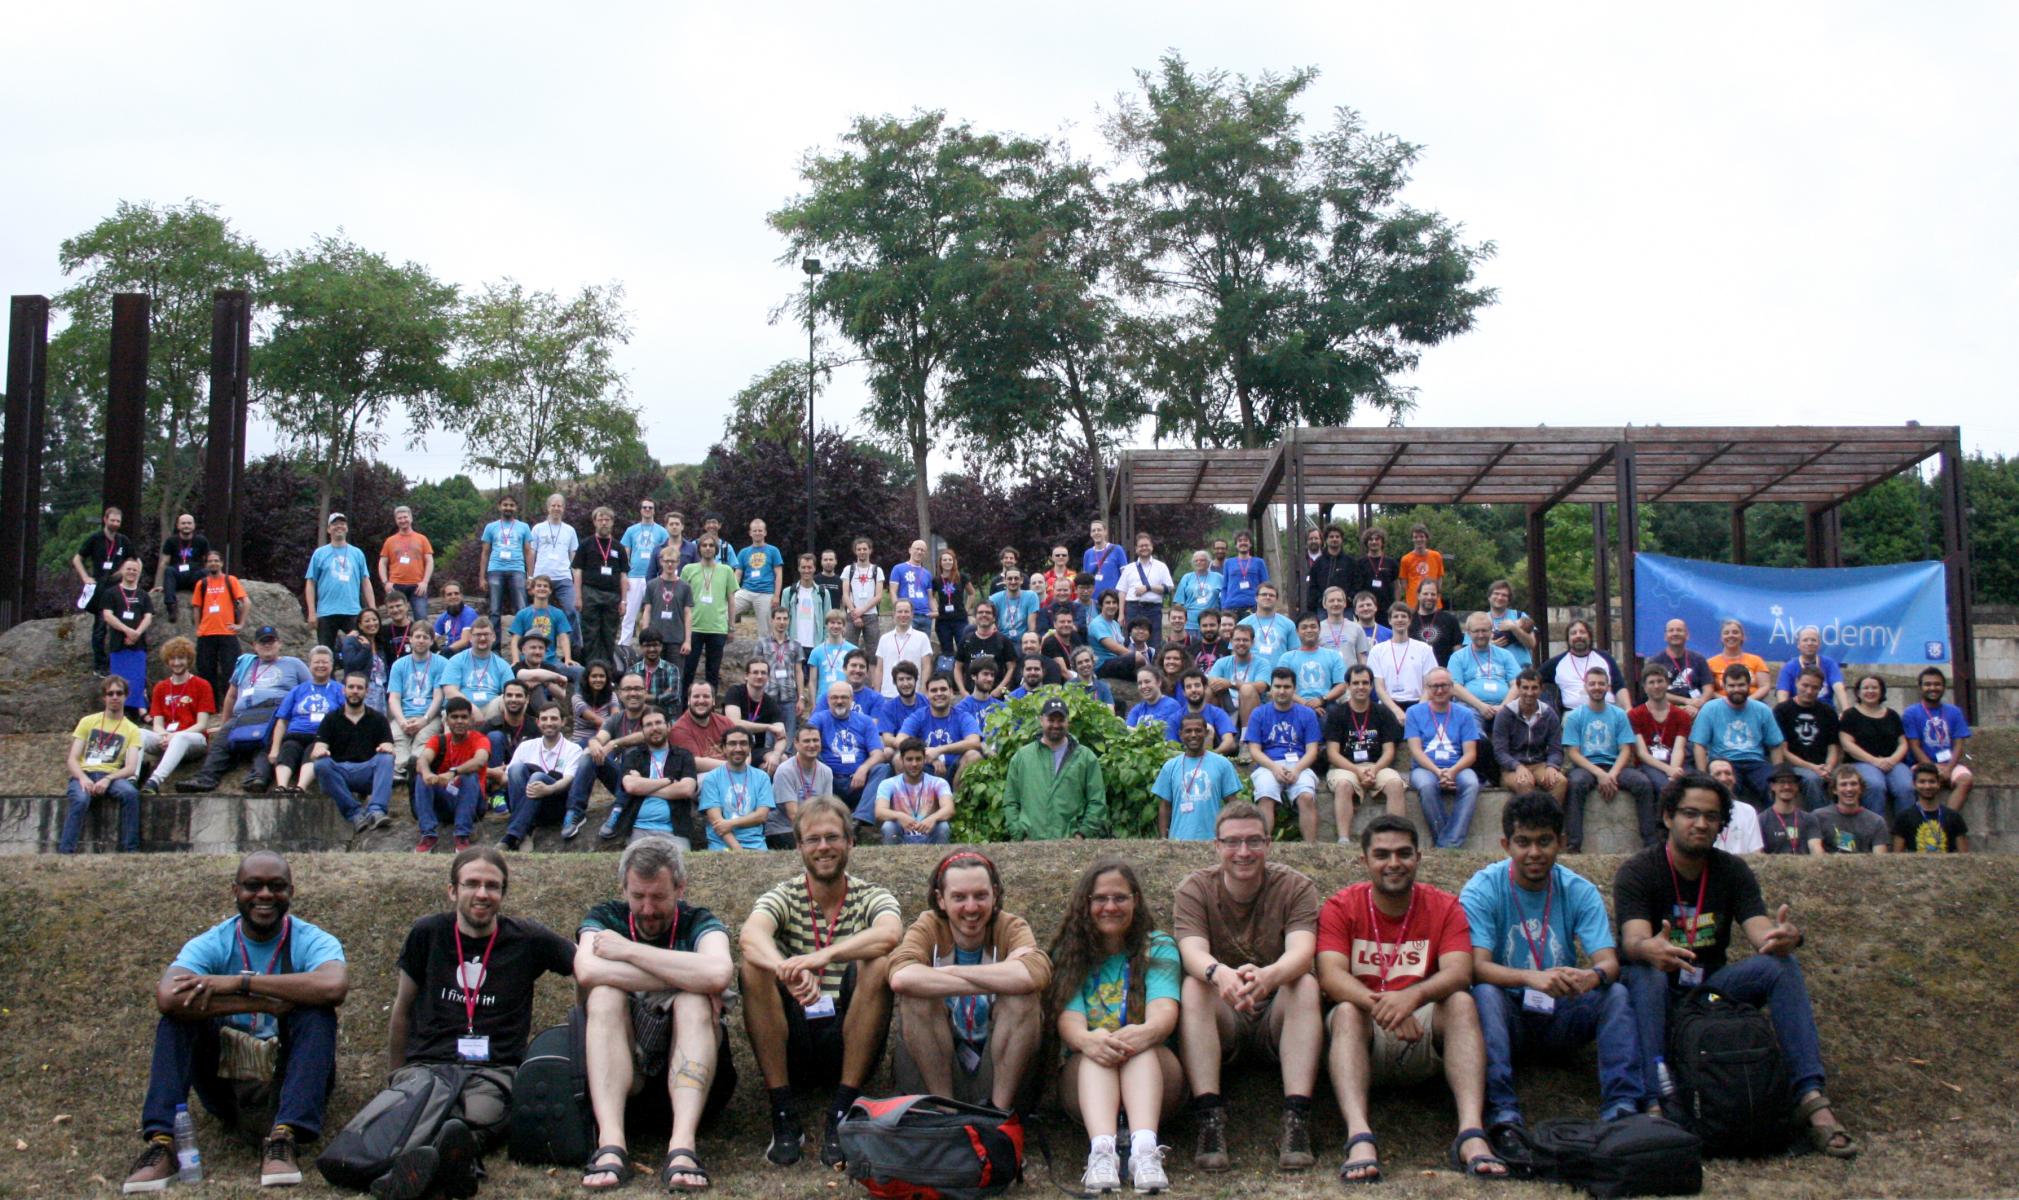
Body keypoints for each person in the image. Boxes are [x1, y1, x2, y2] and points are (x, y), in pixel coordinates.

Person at [1615, 773, 1858, 1158]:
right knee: (1645, 973)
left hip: (1711, 993)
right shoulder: (1640, 870)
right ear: (1667, 817)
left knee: (1781, 965)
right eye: (1690, 813)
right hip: (1657, 990)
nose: (1700, 824)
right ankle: (1655, 1102)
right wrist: (1649, 949)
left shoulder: (1731, 870)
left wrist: (1782, 937)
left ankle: (1811, 1100)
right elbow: (1632, 940)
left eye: (1711, 817)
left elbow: (1759, 929)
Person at [351, 848, 576, 1198]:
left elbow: (585, 967)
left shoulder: (527, 938)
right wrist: (394, 1078)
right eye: (472, 883)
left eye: (493, 885)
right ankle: (455, 1165)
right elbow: (402, 1009)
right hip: (429, 1064)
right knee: (414, 1112)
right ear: (453, 890)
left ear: (503, 893)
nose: (483, 893)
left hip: (493, 1068)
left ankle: (437, 1161)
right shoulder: (428, 933)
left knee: (476, 1114)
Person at [121, 852, 347, 1194]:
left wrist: (237, 982)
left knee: (316, 1011)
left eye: (277, 886)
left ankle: (284, 1138)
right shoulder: (213, 942)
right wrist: (261, 1002)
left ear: (292, 891)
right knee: (178, 1018)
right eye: (253, 886)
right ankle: (161, 1144)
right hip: (224, 1083)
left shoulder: (313, 940)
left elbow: (333, 986)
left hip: (286, 1078)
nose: (265, 895)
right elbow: (167, 997)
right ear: (235, 890)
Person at [1317, 815, 1504, 1184]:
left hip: (1421, 1029)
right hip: (1363, 1033)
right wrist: (1385, 1005)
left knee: (1462, 1002)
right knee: (1347, 1011)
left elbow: (1459, 971)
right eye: (1382, 854)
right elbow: (1331, 976)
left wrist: (1411, 997)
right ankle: (1359, 1137)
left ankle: (1471, 1133)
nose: (1393, 863)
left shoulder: (1445, 906)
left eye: (1404, 853)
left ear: (1418, 857)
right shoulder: (1341, 907)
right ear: (1364, 861)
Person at [1460, 793, 1643, 1138]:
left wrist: (1593, 976)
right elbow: (1476, 967)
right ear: (1505, 844)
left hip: (1562, 1010)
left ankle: (1623, 1105)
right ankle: (1502, 1110)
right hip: (1508, 1012)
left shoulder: (1579, 890)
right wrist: (1532, 978)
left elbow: (1608, 961)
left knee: (1615, 993)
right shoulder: (1482, 889)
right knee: (1482, 993)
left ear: (1560, 841)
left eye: (1544, 842)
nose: (1534, 853)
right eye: (1523, 842)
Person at [739, 797, 902, 1169]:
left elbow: (890, 933)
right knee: (753, 966)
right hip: (794, 1037)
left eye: (833, 837)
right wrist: (787, 970)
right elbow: (751, 935)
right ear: (798, 847)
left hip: (850, 1036)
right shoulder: (784, 894)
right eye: (813, 839)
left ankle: (843, 1108)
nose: (824, 847)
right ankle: (782, 1112)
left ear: (850, 842)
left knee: (877, 963)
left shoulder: (870, 895)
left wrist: (822, 957)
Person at [573, 838, 736, 1191]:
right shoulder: (605, 917)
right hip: (623, 1083)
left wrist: (627, 951)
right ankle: (610, 1144)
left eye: (659, 897)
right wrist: (686, 976)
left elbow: (719, 974)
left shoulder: (699, 921)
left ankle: (683, 1147)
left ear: (680, 887)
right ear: (624, 889)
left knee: (693, 1002)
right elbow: (586, 970)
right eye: (638, 896)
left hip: (697, 1086)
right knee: (602, 995)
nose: (647, 910)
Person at [1173, 803, 1323, 1172]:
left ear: (1268, 844)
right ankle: (1208, 1116)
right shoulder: (1195, 889)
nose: (1243, 852)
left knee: (1303, 983)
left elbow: (1302, 952)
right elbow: (1191, 950)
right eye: (1233, 842)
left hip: (1277, 1014)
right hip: (1226, 1015)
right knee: (1194, 987)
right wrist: (1218, 973)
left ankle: (1297, 1118)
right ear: (1216, 845)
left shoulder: (1295, 886)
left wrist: (1270, 976)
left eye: (1254, 841)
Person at [1047, 858, 1181, 1193]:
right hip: (1086, 1079)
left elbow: (1163, 1013)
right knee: (1096, 1050)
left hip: (1156, 1078)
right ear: (1086, 904)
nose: (1110, 906)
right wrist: (1090, 1040)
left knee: (1140, 1049)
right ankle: (1101, 1152)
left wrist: (1141, 1034)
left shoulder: (1158, 946)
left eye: (1120, 897)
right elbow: (1070, 1021)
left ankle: (1145, 1152)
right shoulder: (1070, 952)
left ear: (1135, 899)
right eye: (1100, 899)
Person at [886, 849, 1049, 1116]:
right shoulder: (928, 927)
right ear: (940, 899)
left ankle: (999, 1118)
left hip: (999, 1072)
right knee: (917, 997)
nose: (971, 908)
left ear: (995, 895)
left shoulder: (1011, 927)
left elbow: (1034, 973)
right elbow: (901, 976)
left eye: (980, 896)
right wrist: (997, 978)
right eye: (959, 897)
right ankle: (946, 1115)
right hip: (934, 1072)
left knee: (1023, 998)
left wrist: (944, 976)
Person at [176, 628, 311, 795]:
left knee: (269, 738)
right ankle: (205, 778)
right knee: (222, 741)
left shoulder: (294, 664)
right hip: (244, 714)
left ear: (279, 643)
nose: (267, 645)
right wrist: (225, 723)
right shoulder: (246, 664)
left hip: (275, 711)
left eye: (271, 641)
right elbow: (231, 696)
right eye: (263, 641)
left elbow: (310, 690)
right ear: (254, 645)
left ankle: (259, 777)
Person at [1562, 667, 1657, 853]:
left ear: (1608, 686)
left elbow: (1625, 750)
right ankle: (1574, 844)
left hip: (1616, 766)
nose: (1597, 687)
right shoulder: (1574, 716)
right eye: (1592, 684)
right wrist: (1599, 774)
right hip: (1586, 766)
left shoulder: (1619, 715)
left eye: (1601, 683)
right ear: (1585, 687)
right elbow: (1573, 753)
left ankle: (1651, 843)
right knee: (1575, 784)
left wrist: (1612, 774)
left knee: (1643, 783)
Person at [1002, 696, 1107, 841]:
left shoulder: (1086, 757)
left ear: (1068, 721)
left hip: (1072, 846)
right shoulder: (1022, 757)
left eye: (1060, 720)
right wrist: (1020, 835)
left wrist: (1082, 834)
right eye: (1051, 720)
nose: (1056, 725)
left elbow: (1097, 801)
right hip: (1030, 845)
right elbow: (1010, 801)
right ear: (1041, 720)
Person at [60, 676, 144, 854]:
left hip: (111, 776)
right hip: (85, 773)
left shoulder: (132, 730)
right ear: (104, 698)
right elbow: (72, 759)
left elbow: (130, 767)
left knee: (130, 793)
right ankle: (66, 851)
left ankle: (131, 850)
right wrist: (82, 778)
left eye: (119, 693)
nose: (115, 697)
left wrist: (108, 779)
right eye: (110, 693)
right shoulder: (88, 722)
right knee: (81, 800)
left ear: (125, 696)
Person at [1325, 664, 1408, 843]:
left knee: (1395, 784)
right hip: (1345, 766)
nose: (1361, 687)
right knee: (1344, 785)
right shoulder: (1337, 714)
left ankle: (1397, 838)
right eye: (1356, 683)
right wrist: (1357, 771)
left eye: (1365, 683)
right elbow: (1332, 753)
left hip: (1377, 765)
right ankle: (1344, 840)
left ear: (1371, 686)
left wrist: (1375, 770)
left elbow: (1389, 751)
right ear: (1347, 686)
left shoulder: (1383, 712)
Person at [1405, 668, 1485, 850]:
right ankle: (1448, 843)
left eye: (1444, 686)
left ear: (1451, 687)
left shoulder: (1465, 714)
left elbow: (1471, 753)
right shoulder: (1414, 712)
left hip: (1458, 766)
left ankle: (1447, 843)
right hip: (1424, 768)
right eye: (1435, 686)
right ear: (1427, 688)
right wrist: (1438, 772)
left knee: (1472, 783)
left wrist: (1452, 771)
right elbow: (1415, 751)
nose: (1440, 691)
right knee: (1426, 786)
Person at [1688, 662, 1787, 807]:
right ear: (1724, 686)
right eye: (1732, 686)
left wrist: (1779, 774)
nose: (1737, 689)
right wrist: (1704, 776)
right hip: (1724, 761)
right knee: (1726, 789)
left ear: (1749, 686)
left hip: (1756, 762)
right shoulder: (1710, 708)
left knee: (1773, 788)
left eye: (1741, 685)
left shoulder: (1763, 710)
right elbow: (1699, 745)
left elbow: (1775, 745)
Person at [1244, 668, 1326, 841]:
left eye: (1287, 687)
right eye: (1277, 686)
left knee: (1306, 797)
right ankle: (1262, 844)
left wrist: (1296, 770)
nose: (1282, 691)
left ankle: (1311, 848)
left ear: (1294, 689)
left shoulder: (1307, 714)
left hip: (1300, 764)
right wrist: (1274, 767)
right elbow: (1254, 750)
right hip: (1268, 765)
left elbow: (1312, 750)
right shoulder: (1259, 713)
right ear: (1271, 689)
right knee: (1266, 796)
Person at [570, 677, 656, 841]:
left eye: (637, 689)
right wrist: (594, 743)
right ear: (620, 694)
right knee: (588, 755)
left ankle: (618, 811)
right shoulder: (616, 719)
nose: (633, 693)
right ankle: (575, 812)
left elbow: (650, 733)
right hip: (624, 781)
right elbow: (600, 737)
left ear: (645, 692)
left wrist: (616, 742)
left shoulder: (654, 713)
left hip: (649, 779)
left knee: (633, 753)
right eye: (628, 689)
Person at [311, 671, 396, 833]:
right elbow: (316, 749)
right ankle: (355, 813)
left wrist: (387, 748)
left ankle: (376, 811)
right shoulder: (331, 718)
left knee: (386, 759)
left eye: (359, 687)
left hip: (368, 772)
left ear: (367, 691)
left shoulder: (378, 719)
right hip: (340, 773)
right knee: (321, 764)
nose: (355, 691)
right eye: (351, 687)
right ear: (344, 690)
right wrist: (321, 750)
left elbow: (388, 745)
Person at [412, 696, 489, 854]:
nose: (459, 721)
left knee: (469, 775)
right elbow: (423, 759)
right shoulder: (438, 740)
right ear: (446, 720)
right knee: (421, 776)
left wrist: (454, 772)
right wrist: (427, 773)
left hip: (473, 801)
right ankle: (428, 835)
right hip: (446, 800)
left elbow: (480, 761)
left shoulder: (480, 739)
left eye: (464, 717)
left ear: (471, 720)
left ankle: (462, 835)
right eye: (454, 717)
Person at [500, 703, 582, 851]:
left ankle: (511, 836)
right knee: (516, 769)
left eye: (553, 718)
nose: (548, 723)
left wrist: (549, 789)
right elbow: (507, 779)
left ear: (563, 722)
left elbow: (568, 780)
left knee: (538, 776)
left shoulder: (573, 749)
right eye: (544, 719)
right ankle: (526, 831)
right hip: (528, 800)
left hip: (554, 804)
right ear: (538, 722)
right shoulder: (526, 746)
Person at [807, 681, 892, 820]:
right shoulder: (819, 719)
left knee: (883, 769)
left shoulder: (866, 721)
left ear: (851, 699)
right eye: (834, 697)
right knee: (813, 757)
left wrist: (863, 769)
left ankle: (860, 818)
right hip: (830, 781)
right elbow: (806, 741)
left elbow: (878, 753)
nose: (839, 701)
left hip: (859, 782)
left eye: (844, 697)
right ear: (828, 700)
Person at [618, 708, 702, 847]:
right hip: (638, 829)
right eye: (649, 725)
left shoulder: (683, 756)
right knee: (636, 867)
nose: (654, 728)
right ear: (643, 730)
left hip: (675, 831)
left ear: (668, 726)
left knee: (678, 867)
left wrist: (644, 786)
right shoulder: (633, 756)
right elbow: (631, 786)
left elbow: (686, 789)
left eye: (658, 723)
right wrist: (667, 781)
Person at [1154, 712, 1245, 840]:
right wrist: (1163, 837)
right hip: (1179, 839)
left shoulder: (1222, 764)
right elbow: (1165, 805)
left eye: (1198, 730)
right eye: (1188, 731)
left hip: (1213, 839)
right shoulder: (1170, 766)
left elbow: (1232, 803)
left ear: (1206, 733)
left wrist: (1234, 833)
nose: (1193, 735)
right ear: (1180, 734)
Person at [141, 637, 215, 794]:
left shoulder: (202, 685)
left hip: (194, 739)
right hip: (166, 738)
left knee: (181, 739)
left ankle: (154, 781)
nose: (176, 663)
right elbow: (157, 724)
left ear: (189, 660)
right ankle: (132, 778)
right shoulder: (161, 687)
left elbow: (202, 724)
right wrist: (164, 735)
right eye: (172, 659)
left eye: (181, 658)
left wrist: (174, 735)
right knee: (137, 733)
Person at [267, 647, 344, 797]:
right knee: (288, 748)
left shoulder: (339, 690)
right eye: (316, 662)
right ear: (309, 665)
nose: (320, 665)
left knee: (313, 751)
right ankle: (282, 785)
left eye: (325, 662)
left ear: (332, 665)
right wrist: (275, 748)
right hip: (296, 733)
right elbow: (282, 721)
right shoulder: (297, 690)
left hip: (322, 737)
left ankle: (301, 787)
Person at [1837, 674, 1914, 821]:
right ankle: (1876, 832)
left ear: (1882, 691)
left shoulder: (1892, 715)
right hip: (1861, 763)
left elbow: (1903, 743)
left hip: (1893, 762)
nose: (1870, 691)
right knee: (1875, 785)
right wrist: (1875, 761)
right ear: (1858, 692)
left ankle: (1904, 833)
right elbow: (1847, 744)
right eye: (1865, 687)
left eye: (1874, 687)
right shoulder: (1850, 715)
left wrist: (1892, 760)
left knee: (1906, 787)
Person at [1903, 667, 1975, 812]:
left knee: (1966, 780)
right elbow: (1914, 746)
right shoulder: (1911, 713)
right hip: (1921, 765)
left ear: (1943, 687)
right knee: (1919, 784)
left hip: (1950, 764)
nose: (1932, 688)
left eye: (1937, 684)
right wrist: (1933, 769)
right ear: (1920, 687)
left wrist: (1948, 769)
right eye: (1928, 684)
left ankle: (1947, 821)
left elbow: (1959, 745)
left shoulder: (1954, 712)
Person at [1492, 669, 1569, 806]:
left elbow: (1556, 749)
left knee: (1559, 782)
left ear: (1541, 689)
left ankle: (1550, 824)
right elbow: (1500, 752)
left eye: (1534, 688)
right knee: (1524, 783)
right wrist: (1517, 766)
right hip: (1512, 767)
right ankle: (1532, 825)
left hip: (1540, 764)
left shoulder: (1549, 714)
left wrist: (1552, 765)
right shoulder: (1505, 714)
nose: (1529, 693)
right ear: (1518, 688)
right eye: (1525, 688)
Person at [1625, 664, 1693, 818]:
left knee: (1689, 785)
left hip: (1675, 762)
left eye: (1660, 681)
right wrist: (1669, 771)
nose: (1656, 686)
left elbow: (1679, 748)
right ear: (1644, 687)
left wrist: (1673, 770)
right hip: (1648, 764)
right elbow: (1642, 753)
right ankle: (1664, 827)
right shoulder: (1635, 715)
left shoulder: (1681, 715)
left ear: (1667, 683)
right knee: (1665, 786)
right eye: (1651, 682)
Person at [74, 506, 135, 674]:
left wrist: (128, 573)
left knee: (123, 623)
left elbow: (135, 560)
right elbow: (77, 558)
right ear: (105, 520)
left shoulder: (123, 540)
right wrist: (85, 577)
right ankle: (100, 665)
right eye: (112, 520)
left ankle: (121, 661)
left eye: (118, 521)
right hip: (101, 587)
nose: (115, 524)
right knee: (100, 626)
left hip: (118, 586)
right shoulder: (95, 539)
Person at [303, 513, 374, 651]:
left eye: (342, 523)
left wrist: (372, 609)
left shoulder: (357, 553)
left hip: (352, 610)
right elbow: (310, 583)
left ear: (347, 528)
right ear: (329, 529)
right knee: (326, 652)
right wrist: (312, 612)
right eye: (335, 524)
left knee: (358, 649)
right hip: (326, 612)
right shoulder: (319, 553)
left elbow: (365, 582)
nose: (339, 526)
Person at [1774, 667, 1841, 809]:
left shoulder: (1828, 712)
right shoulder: (1782, 710)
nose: (1809, 691)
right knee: (1812, 779)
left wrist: (1828, 767)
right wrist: (1814, 768)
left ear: (1821, 689)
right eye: (1805, 685)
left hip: (1824, 766)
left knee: (1848, 780)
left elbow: (1833, 747)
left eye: (1815, 687)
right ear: (1797, 683)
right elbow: (1783, 751)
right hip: (1796, 766)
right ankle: (1821, 822)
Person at [698, 728, 774, 851]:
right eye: (732, 743)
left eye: (743, 743)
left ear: (750, 748)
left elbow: (761, 816)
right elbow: (717, 822)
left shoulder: (762, 777)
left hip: (756, 845)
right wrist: (738, 850)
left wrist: (731, 823)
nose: (738, 748)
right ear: (723, 748)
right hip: (722, 847)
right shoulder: (711, 778)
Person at [570, 506, 628, 669]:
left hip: (612, 595)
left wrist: (624, 601)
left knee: (609, 634)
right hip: (590, 594)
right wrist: (578, 596)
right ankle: (591, 669)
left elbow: (624, 575)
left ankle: (607, 670)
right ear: (594, 522)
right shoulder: (586, 544)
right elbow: (578, 571)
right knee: (591, 633)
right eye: (600, 519)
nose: (604, 522)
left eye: (607, 519)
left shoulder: (618, 547)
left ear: (612, 522)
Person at [901, 674, 985, 783]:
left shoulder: (963, 716)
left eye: (943, 689)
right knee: (899, 758)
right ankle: (910, 797)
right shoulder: (919, 716)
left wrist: (938, 750)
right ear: (927, 694)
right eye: (934, 690)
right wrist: (927, 755)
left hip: (956, 770)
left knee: (974, 756)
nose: (939, 693)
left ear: (951, 693)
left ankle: (956, 799)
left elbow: (974, 742)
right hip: (925, 769)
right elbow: (900, 740)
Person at [191, 550, 251, 701]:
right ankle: (211, 705)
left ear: (222, 563)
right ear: (206, 564)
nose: (213, 563)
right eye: (210, 561)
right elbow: (197, 607)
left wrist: (241, 624)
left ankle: (229, 703)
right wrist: (198, 628)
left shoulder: (231, 580)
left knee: (230, 670)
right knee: (206, 671)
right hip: (206, 633)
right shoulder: (202, 583)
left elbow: (246, 602)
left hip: (227, 632)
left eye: (216, 560)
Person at [96, 556, 155, 707]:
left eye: (135, 570)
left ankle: (139, 709)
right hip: (118, 644)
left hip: (138, 645)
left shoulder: (143, 595)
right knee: (118, 680)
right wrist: (128, 631)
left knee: (137, 679)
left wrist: (137, 633)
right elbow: (108, 616)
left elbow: (148, 617)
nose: (131, 572)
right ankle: (120, 709)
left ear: (139, 573)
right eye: (128, 569)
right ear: (122, 570)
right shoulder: (111, 593)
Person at [872, 737, 954, 844]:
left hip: (930, 835)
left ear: (924, 759)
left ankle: (940, 858)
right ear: (901, 760)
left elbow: (949, 809)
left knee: (943, 826)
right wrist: (899, 816)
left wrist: (933, 818)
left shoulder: (939, 782)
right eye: (909, 759)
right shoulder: (888, 784)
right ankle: (891, 859)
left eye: (918, 759)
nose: (914, 764)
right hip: (900, 835)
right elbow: (879, 811)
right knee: (888, 827)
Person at [680, 534, 736, 691]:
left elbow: (731, 600)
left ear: (716, 549)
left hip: (717, 628)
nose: (708, 548)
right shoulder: (688, 569)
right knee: (688, 671)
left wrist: (731, 627)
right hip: (694, 628)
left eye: (711, 545)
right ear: (699, 549)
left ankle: (709, 710)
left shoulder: (726, 570)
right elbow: (682, 598)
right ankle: (685, 707)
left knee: (713, 672)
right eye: (704, 545)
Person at [1448, 612, 1523, 729]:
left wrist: (1504, 706)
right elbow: (1455, 687)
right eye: (1476, 631)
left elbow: (1518, 684)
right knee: (1468, 718)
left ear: (1491, 631)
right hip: (1471, 706)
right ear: (1468, 633)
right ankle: (1479, 743)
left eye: (1484, 630)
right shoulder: (1458, 657)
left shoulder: (1505, 655)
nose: (1481, 635)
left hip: (1504, 706)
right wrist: (1480, 706)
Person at [439, 618, 515, 723]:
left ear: (493, 637)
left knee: (506, 699)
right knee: (453, 708)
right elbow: (450, 691)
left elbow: (512, 691)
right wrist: (471, 708)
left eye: (486, 634)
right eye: (478, 635)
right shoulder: (457, 660)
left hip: (491, 710)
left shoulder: (502, 665)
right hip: (463, 709)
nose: (482, 638)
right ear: (470, 637)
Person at [1368, 604, 1437, 721]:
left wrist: (1417, 711)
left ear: (1410, 620)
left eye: (1403, 616)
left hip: (1418, 704)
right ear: (1389, 620)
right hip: (1389, 706)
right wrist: (1396, 711)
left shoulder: (1424, 649)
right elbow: (1379, 687)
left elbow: (1429, 685)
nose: (1400, 619)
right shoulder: (1377, 650)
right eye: (1395, 616)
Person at [1543, 620, 1630, 711]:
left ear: (1590, 636)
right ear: (1568, 639)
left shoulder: (1605, 658)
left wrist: (1628, 709)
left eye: (1582, 632)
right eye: (1573, 633)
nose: (1578, 635)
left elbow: (1620, 687)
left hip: (1607, 711)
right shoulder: (1556, 663)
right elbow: (1534, 679)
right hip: (1573, 714)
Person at [768, 724, 831, 851]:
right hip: (784, 828)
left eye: (815, 740)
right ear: (796, 744)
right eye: (806, 741)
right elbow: (793, 814)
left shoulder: (826, 771)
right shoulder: (785, 770)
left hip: (814, 826)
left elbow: (826, 808)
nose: (812, 745)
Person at [617, 498, 669, 651]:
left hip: (654, 577)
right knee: (629, 613)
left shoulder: (661, 531)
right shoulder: (631, 530)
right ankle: (623, 646)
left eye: (650, 507)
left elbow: (666, 553)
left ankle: (655, 643)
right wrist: (624, 575)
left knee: (656, 612)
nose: (647, 510)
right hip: (634, 576)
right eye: (644, 507)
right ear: (640, 510)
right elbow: (625, 552)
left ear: (654, 510)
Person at [727, 656, 791, 768]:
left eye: (763, 673)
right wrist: (768, 727)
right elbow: (734, 723)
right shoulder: (735, 692)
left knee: (780, 759)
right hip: (733, 745)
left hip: (755, 749)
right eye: (755, 672)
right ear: (746, 676)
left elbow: (781, 735)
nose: (759, 676)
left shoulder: (770, 702)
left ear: (768, 677)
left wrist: (775, 755)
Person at [1276, 612, 1348, 713]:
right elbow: (1279, 686)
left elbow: (1342, 685)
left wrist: (1321, 700)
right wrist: (1306, 704)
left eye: (1313, 627)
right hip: (1294, 705)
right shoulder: (1286, 658)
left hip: (1326, 704)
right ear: (1297, 631)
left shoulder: (1333, 656)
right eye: (1304, 627)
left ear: (1319, 629)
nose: (1309, 630)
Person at [1207, 622, 1273, 729]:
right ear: (1231, 642)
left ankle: (1246, 739)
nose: (1241, 643)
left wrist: (1230, 683)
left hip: (1253, 706)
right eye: (1237, 640)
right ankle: (1209, 731)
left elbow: (1261, 687)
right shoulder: (1222, 662)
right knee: (1209, 691)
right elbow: (1211, 681)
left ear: (1252, 642)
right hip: (1227, 704)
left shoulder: (1262, 663)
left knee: (1247, 690)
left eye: (1245, 640)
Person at [1894, 763, 1971, 852]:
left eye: (1932, 781)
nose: (1927, 786)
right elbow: (1897, 856)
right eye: (1922, 782)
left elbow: (1964, 855)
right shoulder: (1904, 818)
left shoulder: (1954, 817)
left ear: (1938, 784)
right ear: (1914, 784)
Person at [667, 678, 738, 774]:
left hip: (733, 770)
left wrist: (743, 764)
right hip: (702, 776)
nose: (701, 700)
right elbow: (694, 762)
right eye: (696, 696)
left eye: (706, 696)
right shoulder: (679, 729)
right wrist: (734, 766)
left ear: (713, 701)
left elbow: (744, 746)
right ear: (688, 701)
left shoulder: (725, 722)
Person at [1814, 767, 1892, 854]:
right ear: (1834, 790)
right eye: (1843, 784)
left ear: (1861, 789)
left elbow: (1880, 860)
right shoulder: (1818, 817)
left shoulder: (1877, 822)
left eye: (1853, 784)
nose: (1849, 789)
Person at [376, 505, 434, 620]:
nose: (403, 520)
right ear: (396, 521)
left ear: (411, 518)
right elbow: (382, 563)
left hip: (417, 586)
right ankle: (400, 639)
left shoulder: (422, 539)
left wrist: (425, 582)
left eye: (405, 517)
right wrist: (385, 582)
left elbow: (429, 561)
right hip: (396, 585)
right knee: (397, 618)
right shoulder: (390, 541)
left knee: (421, 618)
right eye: (399, 518)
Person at [1118, 534, 1173, 652]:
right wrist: (1121, 614)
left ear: (1152, 547)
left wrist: (1148, 588)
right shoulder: (1129, 568)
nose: (1144, 548)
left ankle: (1153, 668)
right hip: (1133, 608)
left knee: (1154, 642)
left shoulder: (1161, 567)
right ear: (1136, 549)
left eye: (1146, 545)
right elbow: (1122, 591)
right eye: (1141, 546)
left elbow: (1168, 588)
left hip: (1153, 609)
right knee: (1131, 642)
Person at [1644, 619, 1714, 711]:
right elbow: (1653, 691)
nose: (1675, 633)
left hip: (1696, 709)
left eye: (1679, 630)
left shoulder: (1699, 659)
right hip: (1666, 710)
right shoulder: (1655, 662)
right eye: (1671, 630)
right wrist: (1686, 701)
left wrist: (1698, 705)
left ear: (1687, 635)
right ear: (1665, 636)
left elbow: (1708, 688)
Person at [153, 512, 210, 625]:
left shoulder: (201, 540)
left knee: (205, 572)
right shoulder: (171, 541)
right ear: (178, 526)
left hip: (194, 577)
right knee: (169, 570)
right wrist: (161, 584)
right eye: (183, 523)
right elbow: (164, 562)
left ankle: (202, 609)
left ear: (194, 525)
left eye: (189, 523)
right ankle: (171, 607)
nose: (186, 526)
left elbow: (208, 561)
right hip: (177, 576)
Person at [507, 574, 575, 667]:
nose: (542, 588)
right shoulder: (522, 614)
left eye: (545, 586)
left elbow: (563, 638)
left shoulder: (558, 613)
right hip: (527, 663)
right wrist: (515, 661)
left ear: (550, 591)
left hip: (551, 662)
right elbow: (515, 639)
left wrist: (567, 659)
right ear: (532, 590)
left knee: (578, 672)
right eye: (539, 586)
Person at [1774, 625, 1849, 709]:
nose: (1809, 643)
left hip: (1825, 711)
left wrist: (1846, 711)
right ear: (1798, 645)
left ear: (1819, 644)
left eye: (1813, 640)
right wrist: (1783, 712)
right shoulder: (1789, 667)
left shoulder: (1829, 663)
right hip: (1797, 710)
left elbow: (1838, 686)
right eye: (1805, 640)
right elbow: (1782, 693)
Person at [1703, 759, 1766, 855]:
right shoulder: (1701, 811)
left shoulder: (1748, 811)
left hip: (1740, 868)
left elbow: (1756, 852)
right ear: (1708, 779)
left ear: (1734, 779)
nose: (1724, 778)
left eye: (1728, 773)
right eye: (1717, 774)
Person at [873, 599, 933, 697]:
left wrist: (923, 692)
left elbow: (926, 667)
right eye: (900, 612)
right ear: (894, 614)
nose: (903, 615)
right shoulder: (884, 639)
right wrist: (876, 692)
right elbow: (879, 669)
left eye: (906, 611)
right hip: (888, 695)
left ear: (912, 614)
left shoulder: (922, 638)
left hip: (913, 695)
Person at [731, 518, 780, 632]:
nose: (757, 533)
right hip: (746, 591)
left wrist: (776, 595)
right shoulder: (743, 552)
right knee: (724, 611)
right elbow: (738, 574)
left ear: (765, 532)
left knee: (765, 630)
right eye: (755, 531)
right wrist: (731, 593)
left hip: (765, 592)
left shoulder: (773, 551)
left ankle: (767, 650)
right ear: (750, 533)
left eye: (760, 530)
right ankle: (724, 637)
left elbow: (779, 574)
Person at [1759, 764, 1821, 855]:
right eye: (1782, 782)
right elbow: (1759, 853)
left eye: (1791, 782)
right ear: (1772, 786)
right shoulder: (1762, 820)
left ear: (1797, 786)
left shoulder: (1809, 819)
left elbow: (1816, 848)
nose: (1787, 786)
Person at [1705, 619, 1771, 701]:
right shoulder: (1710, 663)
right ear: (1721, 638)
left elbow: (1765, 686)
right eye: (1726, 633)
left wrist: (1748, 701)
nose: (1731, 635)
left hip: (1753, 703)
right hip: (1721, 704)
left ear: (1743, 637)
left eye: (1735, 632)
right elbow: (1708, 690)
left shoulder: (1756, 660)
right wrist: (1727, 702)